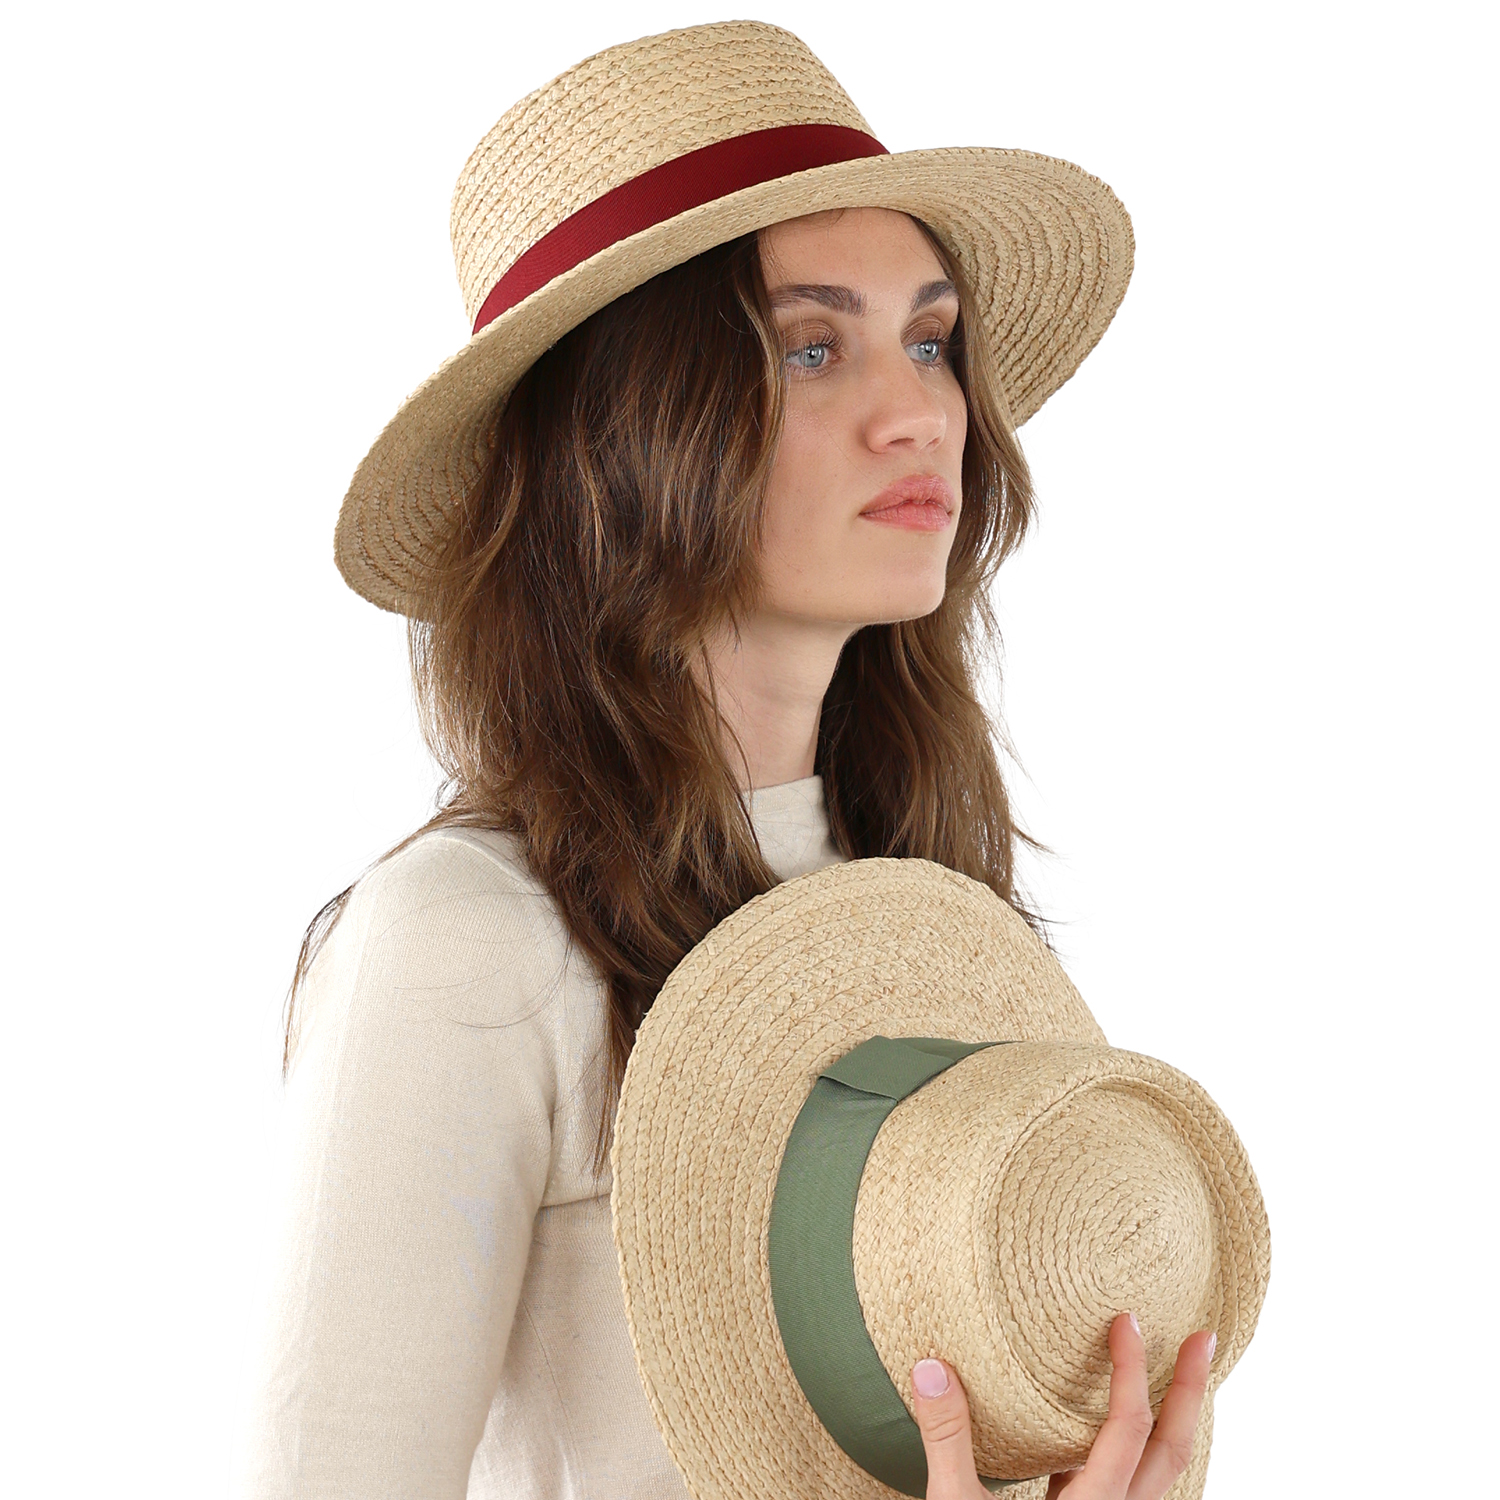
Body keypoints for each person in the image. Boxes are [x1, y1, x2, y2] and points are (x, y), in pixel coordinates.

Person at [238, 22, 1214, 1500]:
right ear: (624, 436)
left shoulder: (934, 914)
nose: (922, 412)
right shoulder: (467, 943)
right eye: (812, 347)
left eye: (932, 340)